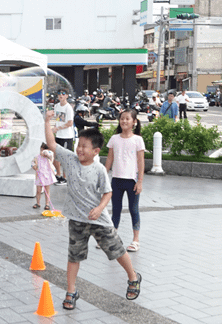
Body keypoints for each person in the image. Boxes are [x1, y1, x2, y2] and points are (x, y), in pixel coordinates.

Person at [44, 111, 141, 310]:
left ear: (96, 151)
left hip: (98, 220)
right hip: (77, 220)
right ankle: (71, 291)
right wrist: (47, 122)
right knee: (74, 257)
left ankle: (133, 277)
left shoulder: (98, 170)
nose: (79, 149)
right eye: (79, 145)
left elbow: (108, 193)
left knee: (117, 251)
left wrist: (99, 209)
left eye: (84, 147)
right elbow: (52, 144)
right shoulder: (70, 159)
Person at [104, 109, 145, 252]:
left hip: (132, 181)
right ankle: (112, 238)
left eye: (128, 119)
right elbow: (110, 159)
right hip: (116, 180)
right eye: (122, 118)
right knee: (116, 209)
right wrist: (104, 176)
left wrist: (140, 181)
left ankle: (135, 240)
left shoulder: (137, 140)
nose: (124, 121)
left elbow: (141, 162)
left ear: (134, 122)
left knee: (133, 209)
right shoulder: (114, 139)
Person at [52, 89, 74, 185]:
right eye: (59, 93)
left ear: (67, 96)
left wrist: (58, 128)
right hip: (58, 136)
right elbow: (58, 120)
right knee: (56, 156)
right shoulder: (56, 106)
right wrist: (54, 128)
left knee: (65, 157)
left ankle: (65, 178)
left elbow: (70, 123)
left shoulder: (68, 108)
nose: (61, 95)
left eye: (63, 94)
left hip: (67, 136)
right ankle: (59, 175)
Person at [32, 143, 56, 210]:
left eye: (43, 150)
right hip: (39, 175)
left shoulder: (49, 157)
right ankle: (38, 203)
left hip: (47, 176)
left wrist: (46, 153)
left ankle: (47, 204)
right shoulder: (37, 157)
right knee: (38, 190)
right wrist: (34, 166)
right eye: (41, 150)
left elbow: (51, 155)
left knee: (47, 190)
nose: (41, 152)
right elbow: (33, 163)